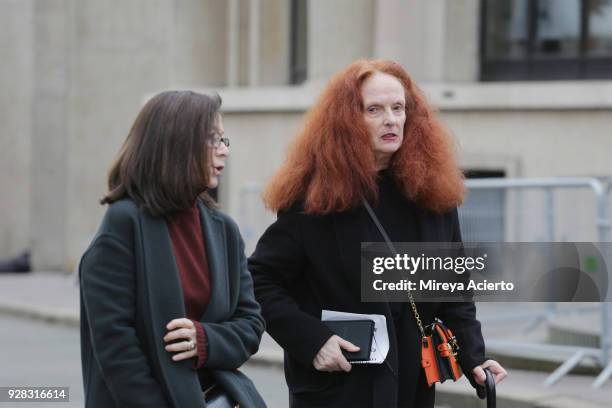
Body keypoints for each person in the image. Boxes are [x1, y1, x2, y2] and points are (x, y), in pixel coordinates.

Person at [248, 59, 507, 407]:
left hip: (411, 385)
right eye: (374, 109)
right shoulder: (313, 199)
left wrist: (474, 358)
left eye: (398, 108)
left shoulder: (430, 194)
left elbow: (452, 288)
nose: (391, 119)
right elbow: (261, 280)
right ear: (347, 121)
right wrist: (312, 341)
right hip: (340, 387)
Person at [79, 90, 266, 407]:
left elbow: (251, 324)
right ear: (176, 144)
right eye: (213, 140)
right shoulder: (124, 223)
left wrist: (205, 340)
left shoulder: (224, 230)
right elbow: (116, 347)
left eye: (225, 140)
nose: (224, 152)